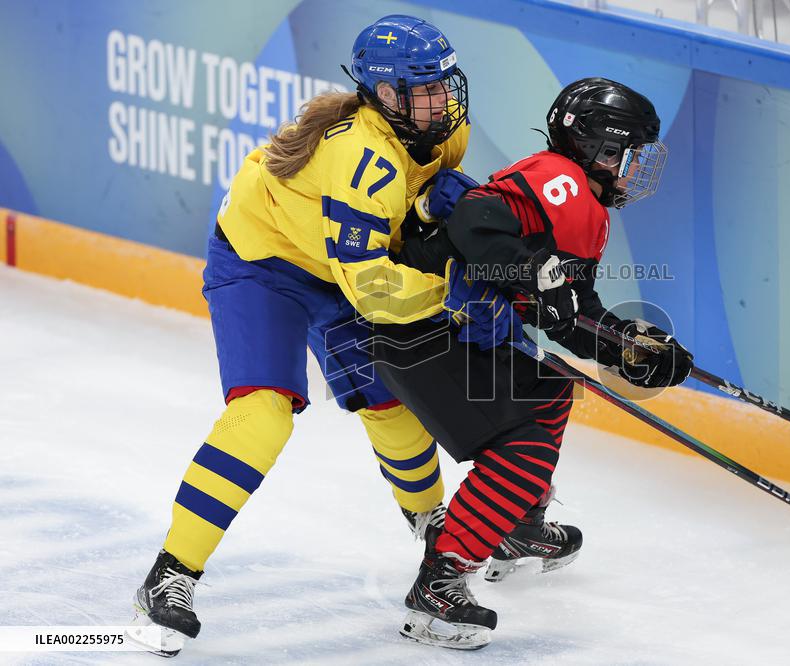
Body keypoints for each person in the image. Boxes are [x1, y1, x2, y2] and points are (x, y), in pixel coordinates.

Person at [129, 15, 483, 656]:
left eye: (443, 84)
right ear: (384, 94)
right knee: (261, 416)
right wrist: (453, 296)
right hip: (263, 266)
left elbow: (410, 206)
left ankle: (435, 525)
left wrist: (434, 205)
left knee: (394, 404)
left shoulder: (443, 130)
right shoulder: (362, 159)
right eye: (421, 89)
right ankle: (171, 573)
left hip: (338, 267)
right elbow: (372, 289)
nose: (441, 101)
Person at [371, 77, 694, 650]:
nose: (631, 169)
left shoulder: (585, 205)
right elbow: (475, 222)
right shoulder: (561, 180)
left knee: (548, 390)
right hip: (422, 328)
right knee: (522, 447)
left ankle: (514, 529)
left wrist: (626, 344)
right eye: (625, 153)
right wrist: (533, 274)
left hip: (453, 330)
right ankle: (441, 581)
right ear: (595, 144)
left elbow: (571, 312)